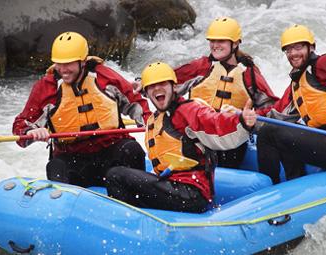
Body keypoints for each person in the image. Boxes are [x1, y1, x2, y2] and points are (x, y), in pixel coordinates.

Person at [105, 62, 257, 213]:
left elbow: (216, 124)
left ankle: (128, 225)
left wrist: (242, 121)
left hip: (192, 192)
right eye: (152, 86)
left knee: (116, 175)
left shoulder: (189, 110)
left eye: (163, 83)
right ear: (146, 93)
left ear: (174, 87)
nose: (157, 88)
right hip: (172, 185)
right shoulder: (155, 118)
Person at [134, 17, 278, 168]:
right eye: (212, 41)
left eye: (221, 41)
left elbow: (272, 107)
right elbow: (168, 82)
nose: (215, 46)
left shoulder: (249, 74)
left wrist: (250, 117)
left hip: (230, 136)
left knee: (228, 151)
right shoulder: (202, 67)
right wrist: (143, 83)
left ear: (235, 43)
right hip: (199, 133)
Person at [13, 31, 151, 187]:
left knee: (132, 150)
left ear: (83, 61)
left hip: (111, 152)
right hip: (72, 158)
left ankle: (138, 200)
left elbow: (137, 104)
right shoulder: (46, 88)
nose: (63, 69)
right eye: (59, 63)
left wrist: (149, 124)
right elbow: (20, 126)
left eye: (69, 63)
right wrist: (29, 133)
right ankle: (67, 204)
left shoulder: (105, 78)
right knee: (56, 167)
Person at [256, 24, 326, 184]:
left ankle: (268, 192)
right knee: (282, 130)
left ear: (311, 47)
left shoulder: (325, 64)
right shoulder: (297, 84)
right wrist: (247, 119)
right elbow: (276, 115)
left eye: (298, 47)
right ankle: (294, 185)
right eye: (288, 50)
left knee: (268, 134)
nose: (293, 53)